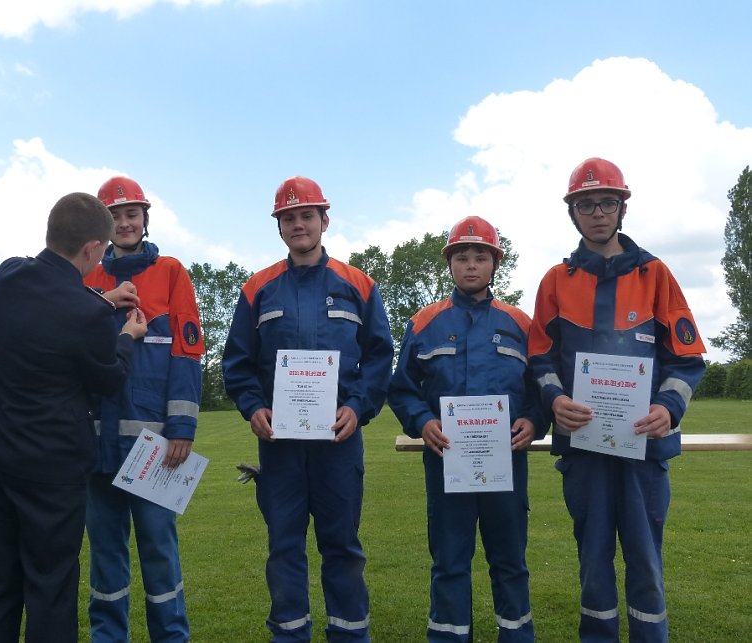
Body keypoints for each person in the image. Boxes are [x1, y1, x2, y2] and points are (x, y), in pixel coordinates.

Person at [528, 157, 706, 642]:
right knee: (593, 562)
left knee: (646, 562)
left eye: (607, 201)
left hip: (644, 450)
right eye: (586, 204)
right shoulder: (555, 281)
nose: (598, 212)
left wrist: (668, 407)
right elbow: (539, 359)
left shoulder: (656, 275)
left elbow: (688, 359)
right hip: (583, 448)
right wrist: (554, 401)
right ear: (573, 213)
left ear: (622, 207)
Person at [0, 192, 147, 643]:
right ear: (91, 249)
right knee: (50, 584)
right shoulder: (86, 316)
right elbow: (108, 378)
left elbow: (52, 303)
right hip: (50, 469)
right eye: (101, 249)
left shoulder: (8, 274)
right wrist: (127, 335)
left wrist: (102, 300)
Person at [222, 176, 394, 642]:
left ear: (324, 220)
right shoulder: (257, 288)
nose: (298, 224)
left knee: (342, 547)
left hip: (338, 442)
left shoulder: (358, 284)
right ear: (279, 227)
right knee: (284, 548)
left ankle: (350, 634)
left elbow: (380, 356)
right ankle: (289, 635)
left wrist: (358, 407)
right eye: (288, 217)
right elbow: (236, 362)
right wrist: (253, 407)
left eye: (306, 215)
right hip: (279, 446)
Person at [388, 216, 546, 642]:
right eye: (462, 257)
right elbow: (401, 389)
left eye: (481, 257)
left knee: (510, 560)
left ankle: (515, 635)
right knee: (450, 562)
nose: (471, 265)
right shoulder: (424, 323)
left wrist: (535, 420)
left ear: (496, 263)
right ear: (450, 264)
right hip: (445, 465)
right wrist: (423, 422)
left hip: (506, 467)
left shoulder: (520, 323)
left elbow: (543, 388)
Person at [83, 176, 204, 643]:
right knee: (105, 554)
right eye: (114, 216)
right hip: (96, 446)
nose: (124, 222)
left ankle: (170, 636)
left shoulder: (172, 272)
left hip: (157, 447)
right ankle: (108, 637)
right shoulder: (87, 276)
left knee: (158, 549)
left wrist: (182, 428)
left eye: (131, 213)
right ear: (102, 224)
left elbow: (187, 354)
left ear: (145, 218)